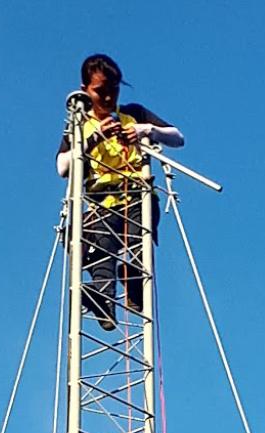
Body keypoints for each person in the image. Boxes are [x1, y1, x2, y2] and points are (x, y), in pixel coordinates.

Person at [56, 54, 184, 331]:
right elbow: (62, 167)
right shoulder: (80, 126)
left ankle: (133, 279)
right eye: (100, 91)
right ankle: (102, 298)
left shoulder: (133, 114)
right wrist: (93, 139)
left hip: (137, 195)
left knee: (141, 234)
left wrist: (143, 130)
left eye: (113, 91)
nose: (107, 98)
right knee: (105, 248)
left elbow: (177, 138)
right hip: (103, 204)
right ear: (85, 90)